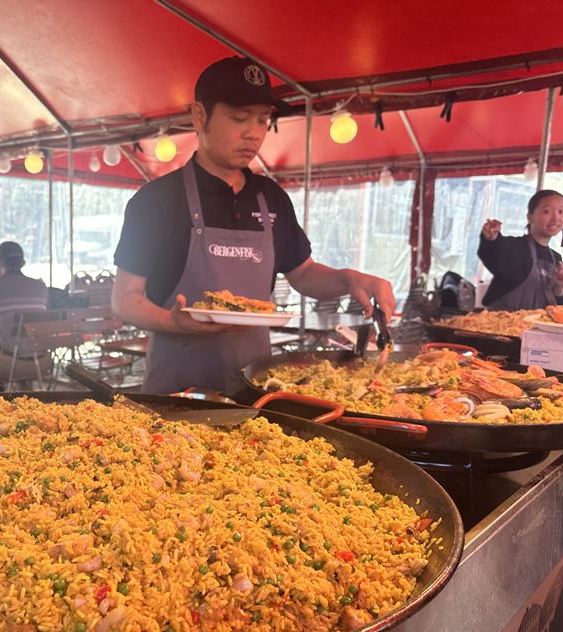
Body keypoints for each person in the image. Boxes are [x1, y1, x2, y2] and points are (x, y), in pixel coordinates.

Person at [112, 56, 396, 394]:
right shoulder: (156, 200)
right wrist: (173, 323)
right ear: (200, 116)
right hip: (176, 395)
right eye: (239, 118)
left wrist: (349, 279)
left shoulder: (270, 197)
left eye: (263, 120)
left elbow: (302, 273)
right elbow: (125, 298)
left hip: (254, 393)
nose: (254, 133)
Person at [479, 190, 563, 310]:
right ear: (530, 217)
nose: (555, 217)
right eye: (547, 211)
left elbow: (557, 296)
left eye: (561, 211)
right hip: (501, 322)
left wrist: (560, 285)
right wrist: (490, 237)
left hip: (536, 323)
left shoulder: (556, 258)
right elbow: (493, 250)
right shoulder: (513, 247)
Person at [0, 241, 49, 387]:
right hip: (43, 362)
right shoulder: (40, 286)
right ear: (23, 263)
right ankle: (24, 396)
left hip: (7, 364)